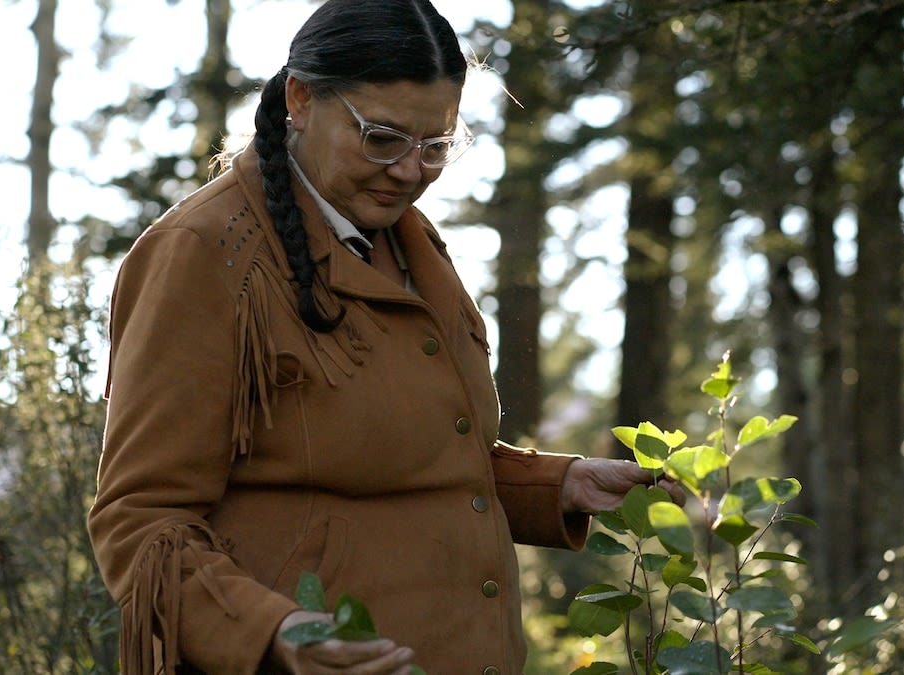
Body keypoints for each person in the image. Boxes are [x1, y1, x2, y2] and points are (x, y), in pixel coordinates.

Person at [88, 1, 673, 673]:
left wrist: (559, 482)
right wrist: (274, 633)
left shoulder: (409, 238)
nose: (410, 172)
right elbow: (139, 521)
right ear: (300, 99)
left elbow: (414, 457)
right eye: (383, 138)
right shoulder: (204, 254)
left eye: (437, 147)